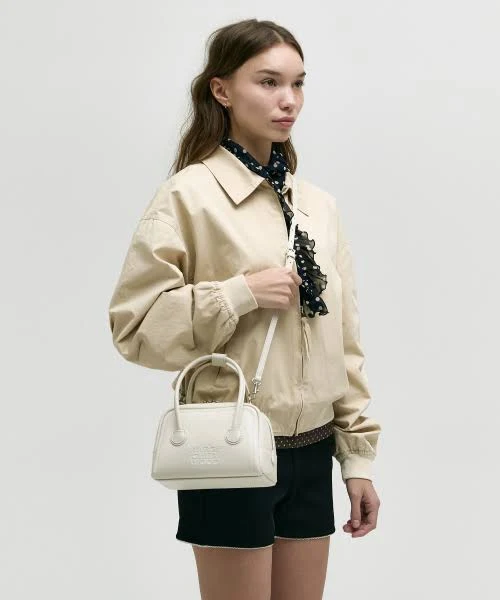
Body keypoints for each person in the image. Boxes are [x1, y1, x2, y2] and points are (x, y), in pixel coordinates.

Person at [108, 18, 382, 600]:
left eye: (298, 83)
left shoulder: (318, 206)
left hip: (313, 451)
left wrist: (356, 458)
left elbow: (345, 340)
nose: (289, 100)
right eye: (268, 81)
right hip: (226, 449)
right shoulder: (188, 197)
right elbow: (134, 327)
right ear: (222, 89)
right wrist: (239, 294)